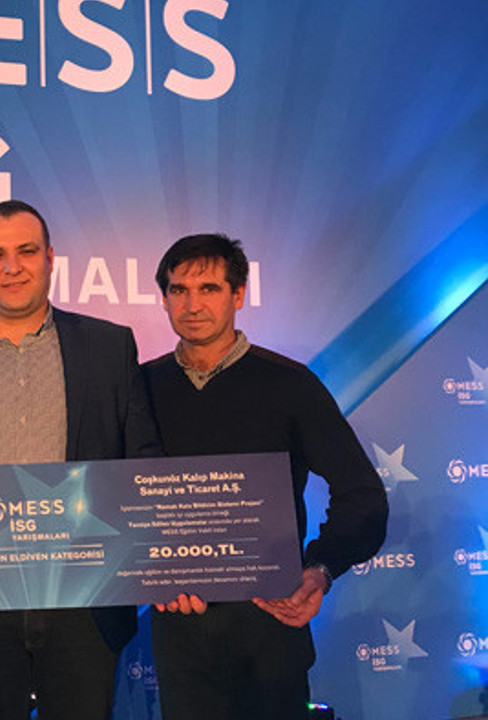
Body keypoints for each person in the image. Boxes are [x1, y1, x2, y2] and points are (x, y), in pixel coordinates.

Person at [0, 200, 161, 720]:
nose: (12, 267)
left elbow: (143, 462)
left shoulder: (109, 345)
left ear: (50, 258)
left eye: (26, 252)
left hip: (85, 600)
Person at [142, 233, 388, 720]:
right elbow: (113, 498)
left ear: (238, 295)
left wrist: (319, 570)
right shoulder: (139, 387)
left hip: (272, 629)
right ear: (164, 298)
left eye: (209, 289)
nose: (192, 305)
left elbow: (362, 495)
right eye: (178, 290)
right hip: (179, 638)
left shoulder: (290, 384)